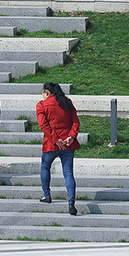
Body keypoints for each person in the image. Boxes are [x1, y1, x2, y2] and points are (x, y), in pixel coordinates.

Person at [36, 81, 80, 215]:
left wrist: (56, 140)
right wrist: (71, 136)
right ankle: (71, 202)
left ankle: (47, 195)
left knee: (45, 167)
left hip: (52, 144)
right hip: (68, 143)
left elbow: (44, 126)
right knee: (68, 173)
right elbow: (75, 122)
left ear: (46, 92)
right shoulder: (67, 102)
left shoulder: (42, 105)